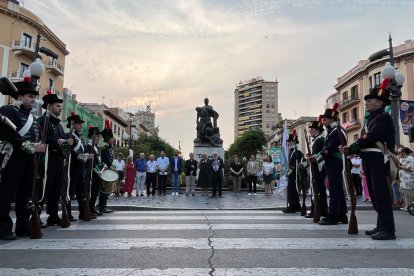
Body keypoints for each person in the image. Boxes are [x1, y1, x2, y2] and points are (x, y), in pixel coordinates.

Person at [344, 84, 396, 240]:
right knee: (374, 196)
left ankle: (388, 230)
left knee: (381, 196)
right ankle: (381, 225)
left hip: (378, 159)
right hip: (369, 159)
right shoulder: (373, 119)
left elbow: (371, 138)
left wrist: (351, 148)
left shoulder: (384, 118)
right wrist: (352, 149)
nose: (366, 103)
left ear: (381, 102)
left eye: (370, 100)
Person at [0, 78, 46, 240]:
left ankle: (22, 225)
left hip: (29, 160)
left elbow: (36, 136)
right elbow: (8, 134)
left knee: (26, 194)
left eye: (34, 96)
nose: (34, 99)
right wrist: (33, 147)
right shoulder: (7, 110)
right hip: (13, 157)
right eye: (30, 96)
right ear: (19, 97)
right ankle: (3, 228)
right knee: (7, 193)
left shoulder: (32, 117)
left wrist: (38, 146)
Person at [38, 91, 73, 227]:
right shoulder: (43, 121)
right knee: (44, 188)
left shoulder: (58, 124)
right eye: (57, 106)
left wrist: (66, 145)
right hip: (48, 159)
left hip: (58, 159)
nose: (60, 108)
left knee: (56, 190)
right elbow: (44, 139)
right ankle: (36, 214)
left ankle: (53, 216)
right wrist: (60, 141)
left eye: (60, 106)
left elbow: (61, 142)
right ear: (49, 106)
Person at [317, 105, 348, 225]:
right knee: (337, 188)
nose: (322, 121)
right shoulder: (333, 131)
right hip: (332, 162)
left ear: (331, 119)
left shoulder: (337, 131)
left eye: (325, 119)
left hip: (335, 161)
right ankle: (341, 214)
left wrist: (318, 156)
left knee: (334, 188)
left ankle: (333, 215)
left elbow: (330, 148)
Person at [67, 112, 94, 221]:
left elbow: (85, 150)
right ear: (72, 125)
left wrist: (89, 155)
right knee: (70, 192)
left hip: (80, 168)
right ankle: (67, 214)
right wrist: (85, 157)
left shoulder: (81, 138)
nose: (81, 126)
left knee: (82, 192)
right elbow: (71, 152)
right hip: (72, 167)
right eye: (78, 124)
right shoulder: (68, 136)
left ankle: (83, 213)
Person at [305, 120, 328, 219]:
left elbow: (317, 155)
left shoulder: (319, 140)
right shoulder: (317, 140)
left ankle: (318, 209)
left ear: (317, 130)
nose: (310, 131)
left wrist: (311, 157)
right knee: (317, 188)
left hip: (318, 167)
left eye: (312, 129)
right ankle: (318, 208)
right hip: (315, 166)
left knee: (317, 189)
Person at [282, 131, 303, 213]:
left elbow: (294, 166)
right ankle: (295, 205)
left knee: (292, 191)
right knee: (292, 190)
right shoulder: (292, 152)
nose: (288, 143)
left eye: (289, 142)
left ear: (293, 142)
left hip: (294, 175)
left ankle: (293, 206)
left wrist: (288, 172)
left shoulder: (297, 152)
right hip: (292, 174)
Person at [85, 126, 103, 217]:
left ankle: (92, 208)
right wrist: (97, 171)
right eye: (97, 136)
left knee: (95, 192)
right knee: (91, 192)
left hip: (96, 174)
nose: (99, 138)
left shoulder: (96, 147)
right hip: (91, 173)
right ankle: (89, 209)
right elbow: (90, 163)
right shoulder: (89, 146)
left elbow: (97, 161)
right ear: (92, 136)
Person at [99, 119, 115, 213]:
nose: (113, 140)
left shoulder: (108, 147)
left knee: (106, 190)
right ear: (108, 139)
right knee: (104, 190)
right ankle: (102, 207)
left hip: (107, 169)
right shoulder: (104, 147)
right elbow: (105, 159)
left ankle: (103, 206)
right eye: (112, 138)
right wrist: (110, 165)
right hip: (104, 170)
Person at [398, 147, 414, 211]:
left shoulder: (410, 158)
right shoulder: (403, 158)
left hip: (409, 179)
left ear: (404, 152)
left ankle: (410, 207)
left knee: (410, 194)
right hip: (404, 179)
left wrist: (400, 167)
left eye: (399, 152)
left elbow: (410, 168)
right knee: (405, 194)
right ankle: (407, 206)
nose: (398, 153)